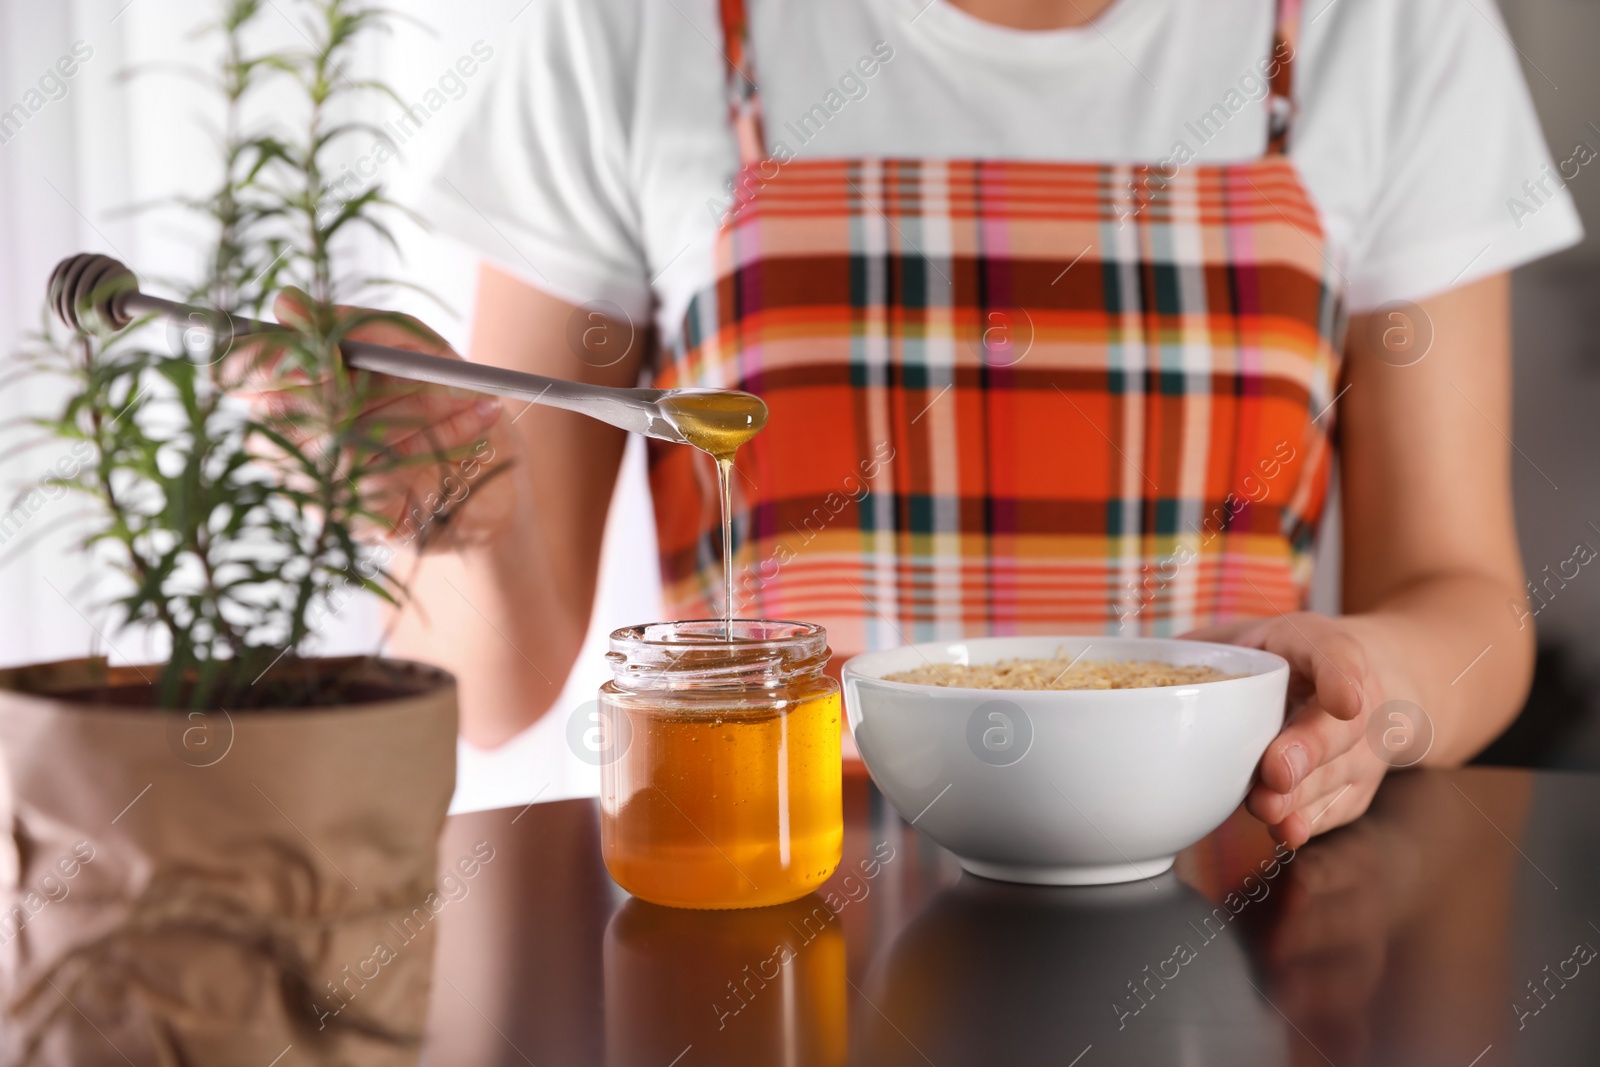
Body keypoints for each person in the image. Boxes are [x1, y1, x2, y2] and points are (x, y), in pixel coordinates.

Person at [266, 0, 1582, 848]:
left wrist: (1371, 695)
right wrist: (449, 506)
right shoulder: (631, 24)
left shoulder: (1390, 25)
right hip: (769, 905)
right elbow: (493, 688)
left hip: (1232, 914)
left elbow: (1460, 598)